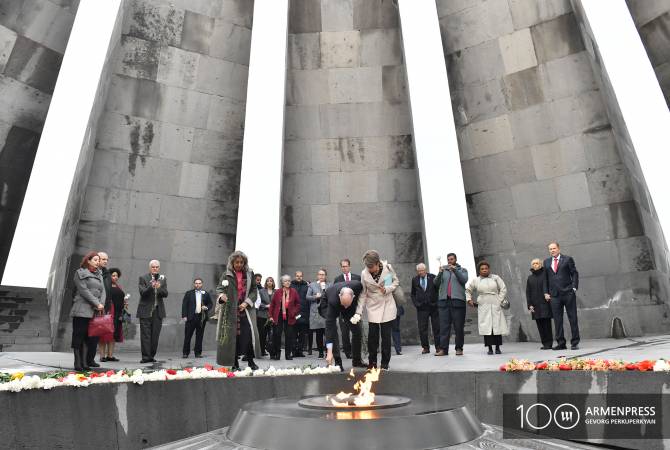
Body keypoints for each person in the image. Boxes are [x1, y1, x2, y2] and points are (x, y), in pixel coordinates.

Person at [352, 250, 399, 370]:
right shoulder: (364, 273)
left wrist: (387, 289)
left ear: (377, 263)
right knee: (372, 337)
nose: (369, 269)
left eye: (371, 266)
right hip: (373, 306)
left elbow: (394, 282)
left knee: (386, 336)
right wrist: (358, 312)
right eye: (367, 266)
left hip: (387, 305)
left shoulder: (387, 268)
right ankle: (372, 363)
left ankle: (385, 363)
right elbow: (363, 293)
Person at [215, 251, 261, 370]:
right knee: (232, 338)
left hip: (245, 311)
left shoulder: (250, 274)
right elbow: (219, 289)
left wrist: (246, 303)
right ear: (232, 262)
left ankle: (251, 362)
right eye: (237, 262)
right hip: (230, 311)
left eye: (241, 262)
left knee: (248, 336)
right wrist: (222, 296)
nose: (239, 264)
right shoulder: (226, 274)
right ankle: (234, 364)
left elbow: (254, 290)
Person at [70, 251, 105, 371]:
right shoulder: (80, 273)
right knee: (78, 336)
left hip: (94, 311)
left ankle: (85, 362)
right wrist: (97, 303)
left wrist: (101, 305)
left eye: (98, 260)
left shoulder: (99, 275)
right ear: (88, 261)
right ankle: (77, 362)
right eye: (95, 260)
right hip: (81, 309)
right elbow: (84, 291)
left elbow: (103, 291)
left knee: (88, 337)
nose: (97, 262)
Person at [466, 261, 508, 355]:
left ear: (489, 269)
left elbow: (503, 288)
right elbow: (468, 290)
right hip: (483, 304)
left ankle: (497, 347)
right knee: (486, 326)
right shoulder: (476, 280)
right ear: (479, 270)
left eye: (486, 268)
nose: (484, 270)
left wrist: (499, 299)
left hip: (495, 302)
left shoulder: (496, 278)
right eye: (482, 269)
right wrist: (469, 300)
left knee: (496, 325)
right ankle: (489, 348)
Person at [543, 241, 580, 350]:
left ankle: (574, 342)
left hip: (568, 293)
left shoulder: (568, 259)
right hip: (554, 295)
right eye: (550, 249)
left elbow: (574, 273)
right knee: (557, 320)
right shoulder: (546, 262)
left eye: (554, 248)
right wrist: (546, 292)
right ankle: (561, 343)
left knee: (572, 317)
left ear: (558, 249)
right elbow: (545, 278)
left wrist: (574, 287)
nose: (552, 250)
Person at [324, 281, 366, 370]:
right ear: (340, 296)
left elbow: (364, 295)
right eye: (344, 305)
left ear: (354, 296)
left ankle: (357, 360)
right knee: (333, 331)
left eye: (347, 304)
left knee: (357, 331)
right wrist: (329, 351)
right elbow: (329, 331)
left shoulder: (358, 285)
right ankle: (338, 362)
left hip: (350, 310)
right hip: (327, 304)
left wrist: (358, 313)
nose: (345, 307)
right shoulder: (333, 301)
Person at [434, 253, 469, 356]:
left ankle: (459, 348)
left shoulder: (462, 270)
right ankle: (443, 349)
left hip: (458, 301)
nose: (450, 261)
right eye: (448, 259)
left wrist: (455, 270)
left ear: (456, 260)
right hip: (444, 302)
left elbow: (464, 280)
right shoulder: (443, 270)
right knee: (444, 327)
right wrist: (440, 273)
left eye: (452, 259)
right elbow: (436, 283)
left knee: (458, 327)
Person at [137, 260, 168, 363]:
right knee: (145, 335)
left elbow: (165, 294)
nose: (155, 269)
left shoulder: (162, 279)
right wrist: (151, 286)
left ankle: (151, 356)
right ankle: (145, 357)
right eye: (153, 267)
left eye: (157, 267)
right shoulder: (143, 278)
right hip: (145, 310)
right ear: (150, 268)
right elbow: (143, 293)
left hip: (158, 311)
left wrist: (159, 288)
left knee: (155, 335)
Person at [268, 275, 301, 360]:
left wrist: (294, 312)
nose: (288, 282)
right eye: (286, 281)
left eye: (289, 281)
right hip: (278, 314)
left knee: (289, 335)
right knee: (277, 334)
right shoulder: (278, 292)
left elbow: (298, 304)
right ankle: (277, 354)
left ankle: (288, 354)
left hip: (290, 315)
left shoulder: (294, 291)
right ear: (282, 283)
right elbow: (272, 305)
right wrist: (271, 316)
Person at [410, 263, 440, 354]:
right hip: (422, 308)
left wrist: (437, 302)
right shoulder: (415, 279)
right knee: (422, 328)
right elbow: (413, 294)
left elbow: (439, 290)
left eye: (422, 270)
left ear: (425, 270)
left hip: (433, 306)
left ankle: (438, 347)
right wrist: (416, 304)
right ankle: (425, 347)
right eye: (419, 271)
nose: (421, 272)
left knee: (436, 327)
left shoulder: (433, 277)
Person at [334, 259, 361, 359]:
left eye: (346, 266)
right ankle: (348, 352)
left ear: (349, 266)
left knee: (356, 332)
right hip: (342, 311)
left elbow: (360, 292)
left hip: (354, 310)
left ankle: (356, 351)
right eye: (342, 266)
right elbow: (335, 294)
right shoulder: (337, 279)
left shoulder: (357, 278)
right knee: (344, 333)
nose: (344, 268)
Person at [99, 267, 128, 362]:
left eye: (117, 276)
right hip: (108, 312)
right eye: (113, 275)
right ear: (109, 276)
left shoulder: (118, 287)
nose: (115, 277)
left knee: (113, 335)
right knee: (104, 334)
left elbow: (120, 298)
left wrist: (124, 303)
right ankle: (102, 356)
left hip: (118, 313)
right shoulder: (106, 286)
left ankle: (110, 355)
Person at [181, 278, 213, 358]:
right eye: (196, 283)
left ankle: (198, 353)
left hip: (201, 318)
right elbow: (184, 305)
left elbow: (210, 304)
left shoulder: (205, 293)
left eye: (199, 283)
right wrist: (184, 316)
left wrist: (207, 307)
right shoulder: (189, 293)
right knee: (188, 335)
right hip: (191, 317)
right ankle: (185, 353)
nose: (197, 284)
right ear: (194, 284)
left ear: (202, 284)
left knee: (199, 336)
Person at [526, 259, 553, 349]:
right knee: (539, 325)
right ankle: (544, 343)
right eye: (533, 263)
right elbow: (528, 292)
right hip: (535, 305)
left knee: (546, 324)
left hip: (545, 304)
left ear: (541, 265)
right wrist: (529, 305)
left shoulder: (545, 275)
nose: (535, 265)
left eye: (537, 263)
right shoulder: (530, 278)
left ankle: (549, 343)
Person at [90, 251, 111, 367]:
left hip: (103, 308)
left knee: (96, 335)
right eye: (103, 259)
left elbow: (107, 292)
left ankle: (91, 359)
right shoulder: (92, 271)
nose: (105, 261)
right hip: (92, 308)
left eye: (106, 259)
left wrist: (106, 307)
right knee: (89, 335)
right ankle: (86, 359)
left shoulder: (107, 273)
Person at [306, 268, 329, 358]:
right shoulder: (312, 285)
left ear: (325, 276)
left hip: (326, 312)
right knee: (319, 333)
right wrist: (315, 296)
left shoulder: (329, 285)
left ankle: (328, 351)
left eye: (323, 274)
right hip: (316, 312)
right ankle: (320, 352)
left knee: (327, 334)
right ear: (317, 276)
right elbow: (307, 297)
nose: (321, 276)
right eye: (319, 274)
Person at [291, 271, 310, 357]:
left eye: (300, 276)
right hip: (293, 313)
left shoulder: (306, 286)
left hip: (304, 313)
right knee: (294, 333)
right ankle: (294, 351)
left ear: (302, 277)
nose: (299, 277)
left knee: (303, 334)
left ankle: (300, 351)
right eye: (297, 276)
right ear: (295, 276)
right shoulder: (291, 285)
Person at [256, 275, 273, 357]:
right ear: (266, 282)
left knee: (272, 335)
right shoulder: (261, 291)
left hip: (272, 316)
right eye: (268, 281)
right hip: (262, 315)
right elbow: (258, 303)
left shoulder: (276, 292)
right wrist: (266, 306)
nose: (269, 282)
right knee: (262, 334)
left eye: (271, 281)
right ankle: (261, 350)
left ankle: (272, 350)